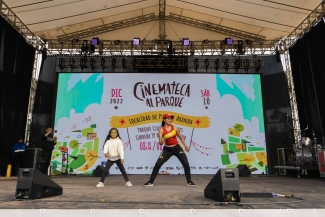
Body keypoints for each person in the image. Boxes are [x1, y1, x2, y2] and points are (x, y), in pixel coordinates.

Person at [143, 114, 196, 187]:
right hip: (167, 150)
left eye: (171, 119)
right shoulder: (161, 130)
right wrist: (161, 142)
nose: (170, 120)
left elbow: (181, 137)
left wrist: (186, 146)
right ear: (164, 120)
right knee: (158, 164)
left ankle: (189, 182)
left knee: (186, 163)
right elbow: (160, 142)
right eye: (168, 119)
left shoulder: (175, 128)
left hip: (177, 148)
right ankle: (150, 182)